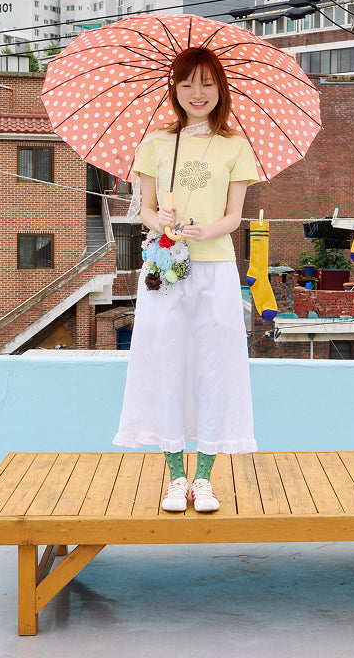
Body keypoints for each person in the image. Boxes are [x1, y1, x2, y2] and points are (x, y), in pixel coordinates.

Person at [113, 46, 259, 513]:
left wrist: (205, 231)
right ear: (174, 89)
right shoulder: (156, 143)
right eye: (187, 83)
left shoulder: (236, 147)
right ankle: (176, 478)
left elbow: (235, 217)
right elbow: (146, 209)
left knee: (216, 367)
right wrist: (160, 220)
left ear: (220, 88)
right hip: (164, 270)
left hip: (215, 269)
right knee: (165, 363)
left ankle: (205, 480)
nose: (198, 92)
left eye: (207, 83)